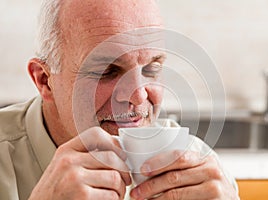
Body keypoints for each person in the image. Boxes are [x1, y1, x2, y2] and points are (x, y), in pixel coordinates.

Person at [0, 0, 239, 199]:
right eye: (107, 71)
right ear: (44, 80)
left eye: (151, 69)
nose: (138, 95)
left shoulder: (196, 168)